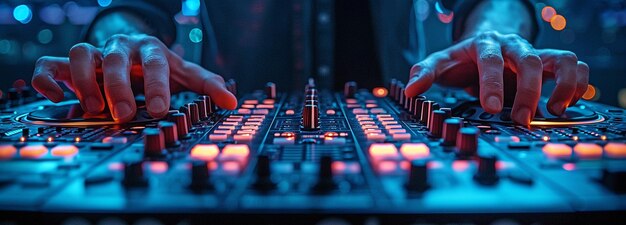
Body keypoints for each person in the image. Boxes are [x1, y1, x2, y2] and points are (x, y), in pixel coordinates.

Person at [30, 0, 588, 126]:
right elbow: (138, 7)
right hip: (228, 108)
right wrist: (121, 38)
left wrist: (496, 33)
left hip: (405, 102)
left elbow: (487, 3)